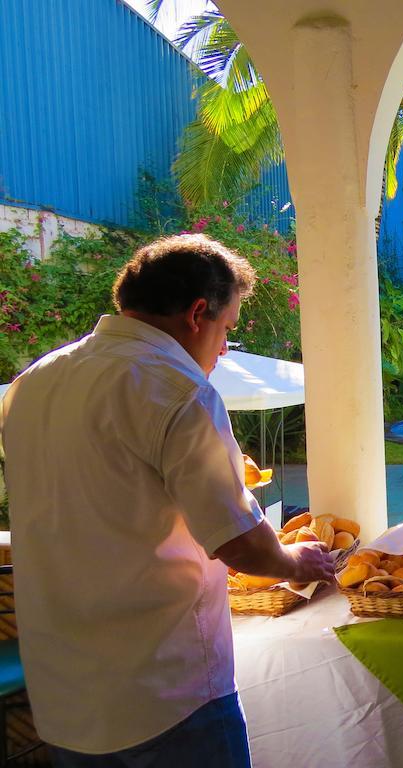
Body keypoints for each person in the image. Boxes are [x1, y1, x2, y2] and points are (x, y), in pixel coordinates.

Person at [0, 234, 335, 766]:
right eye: (227, 330)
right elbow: (244, 547)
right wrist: (298, 561)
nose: (224, 349)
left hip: (64, 698)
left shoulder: (30, 384)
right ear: (198, 314)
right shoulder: (178, 391)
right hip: (163, 697)